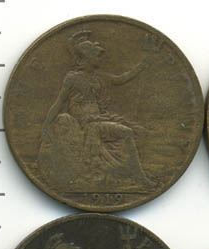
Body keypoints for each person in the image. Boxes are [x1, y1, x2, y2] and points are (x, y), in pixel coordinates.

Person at [38, 29, 155, 190]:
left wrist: (143, 64)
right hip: (89, 125)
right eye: (97, 55)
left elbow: (121, 79)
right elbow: (59, 103)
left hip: (100, 120)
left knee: (139, 131)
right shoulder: (73, 78)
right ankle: (140, 178)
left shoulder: (97, 76)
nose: (100, 59)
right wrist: (46, 124)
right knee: (127, 132)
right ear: (87, 57)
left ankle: (123, 172)